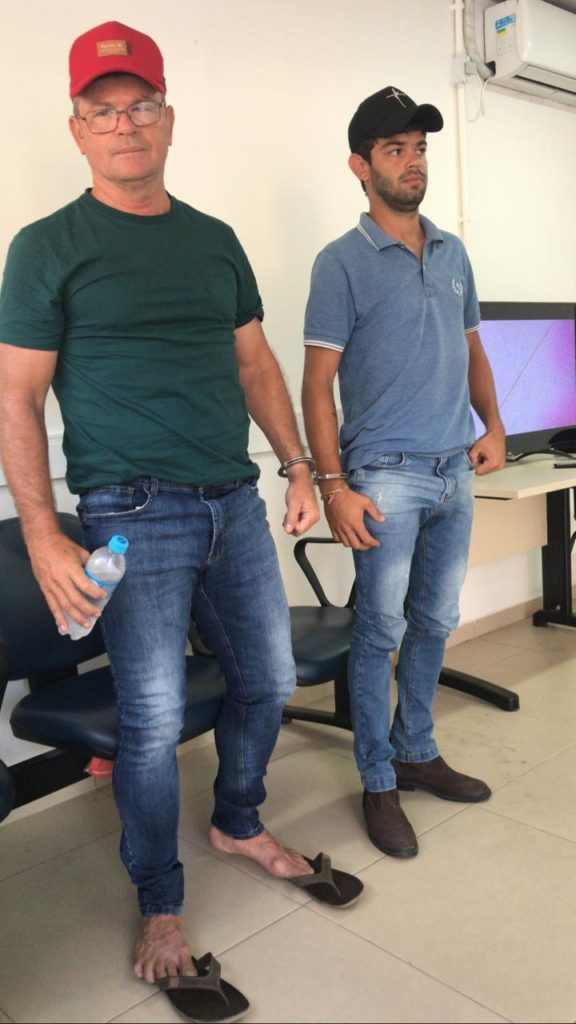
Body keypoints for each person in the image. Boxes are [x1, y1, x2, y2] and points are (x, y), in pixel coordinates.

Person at [0, 22, 362, 1023]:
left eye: (142, 106)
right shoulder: (46, 247)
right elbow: (17, 397)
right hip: (130, 515)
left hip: (233, 506)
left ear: (169, 119)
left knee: (269, 678)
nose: (126, 125)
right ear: (78, 129)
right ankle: (161, 905)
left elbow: (254, 364)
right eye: (104, 111)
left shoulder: (214, 240)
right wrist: (43, 531)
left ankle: (238, 819)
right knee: (153, 723)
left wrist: (299, 465)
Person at [302, 86, 506, 861]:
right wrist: (333, 485)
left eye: (419, 148)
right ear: (361, 166)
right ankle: (379, 777)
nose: (413, 162)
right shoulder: (340, 263)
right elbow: (317, 384)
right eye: (395, 149)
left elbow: (473, 349)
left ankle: (417, 749)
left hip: (455, 469)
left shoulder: (452, 252)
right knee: (379, 629)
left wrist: (494, 426)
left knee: (434, 621)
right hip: (384, 476)